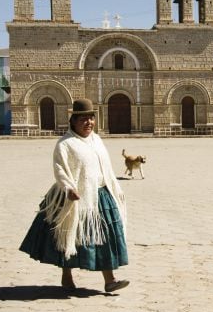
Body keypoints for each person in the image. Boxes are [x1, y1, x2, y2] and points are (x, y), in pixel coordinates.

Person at [20, 98, 130, 293]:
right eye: (83, 119)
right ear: (72, 121)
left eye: (91, 118)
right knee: (70, 237)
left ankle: (110, 280)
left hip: (100, 195)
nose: (88, 123)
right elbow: (60, 169)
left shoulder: (96, 139)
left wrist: (115, 188)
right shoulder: (65, 143)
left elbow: (106, 166)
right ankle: (67, 277)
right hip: (73, 196)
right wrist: (69, 188)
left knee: (104, 238)